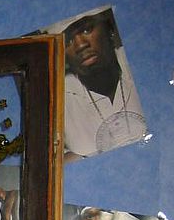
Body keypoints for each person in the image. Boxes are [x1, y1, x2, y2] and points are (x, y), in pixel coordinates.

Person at [60, 9, 147, 159]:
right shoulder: (59, 100)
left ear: (109, 29)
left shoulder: (142, 63)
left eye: (87, 30)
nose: (80, 45)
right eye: (68, 41)